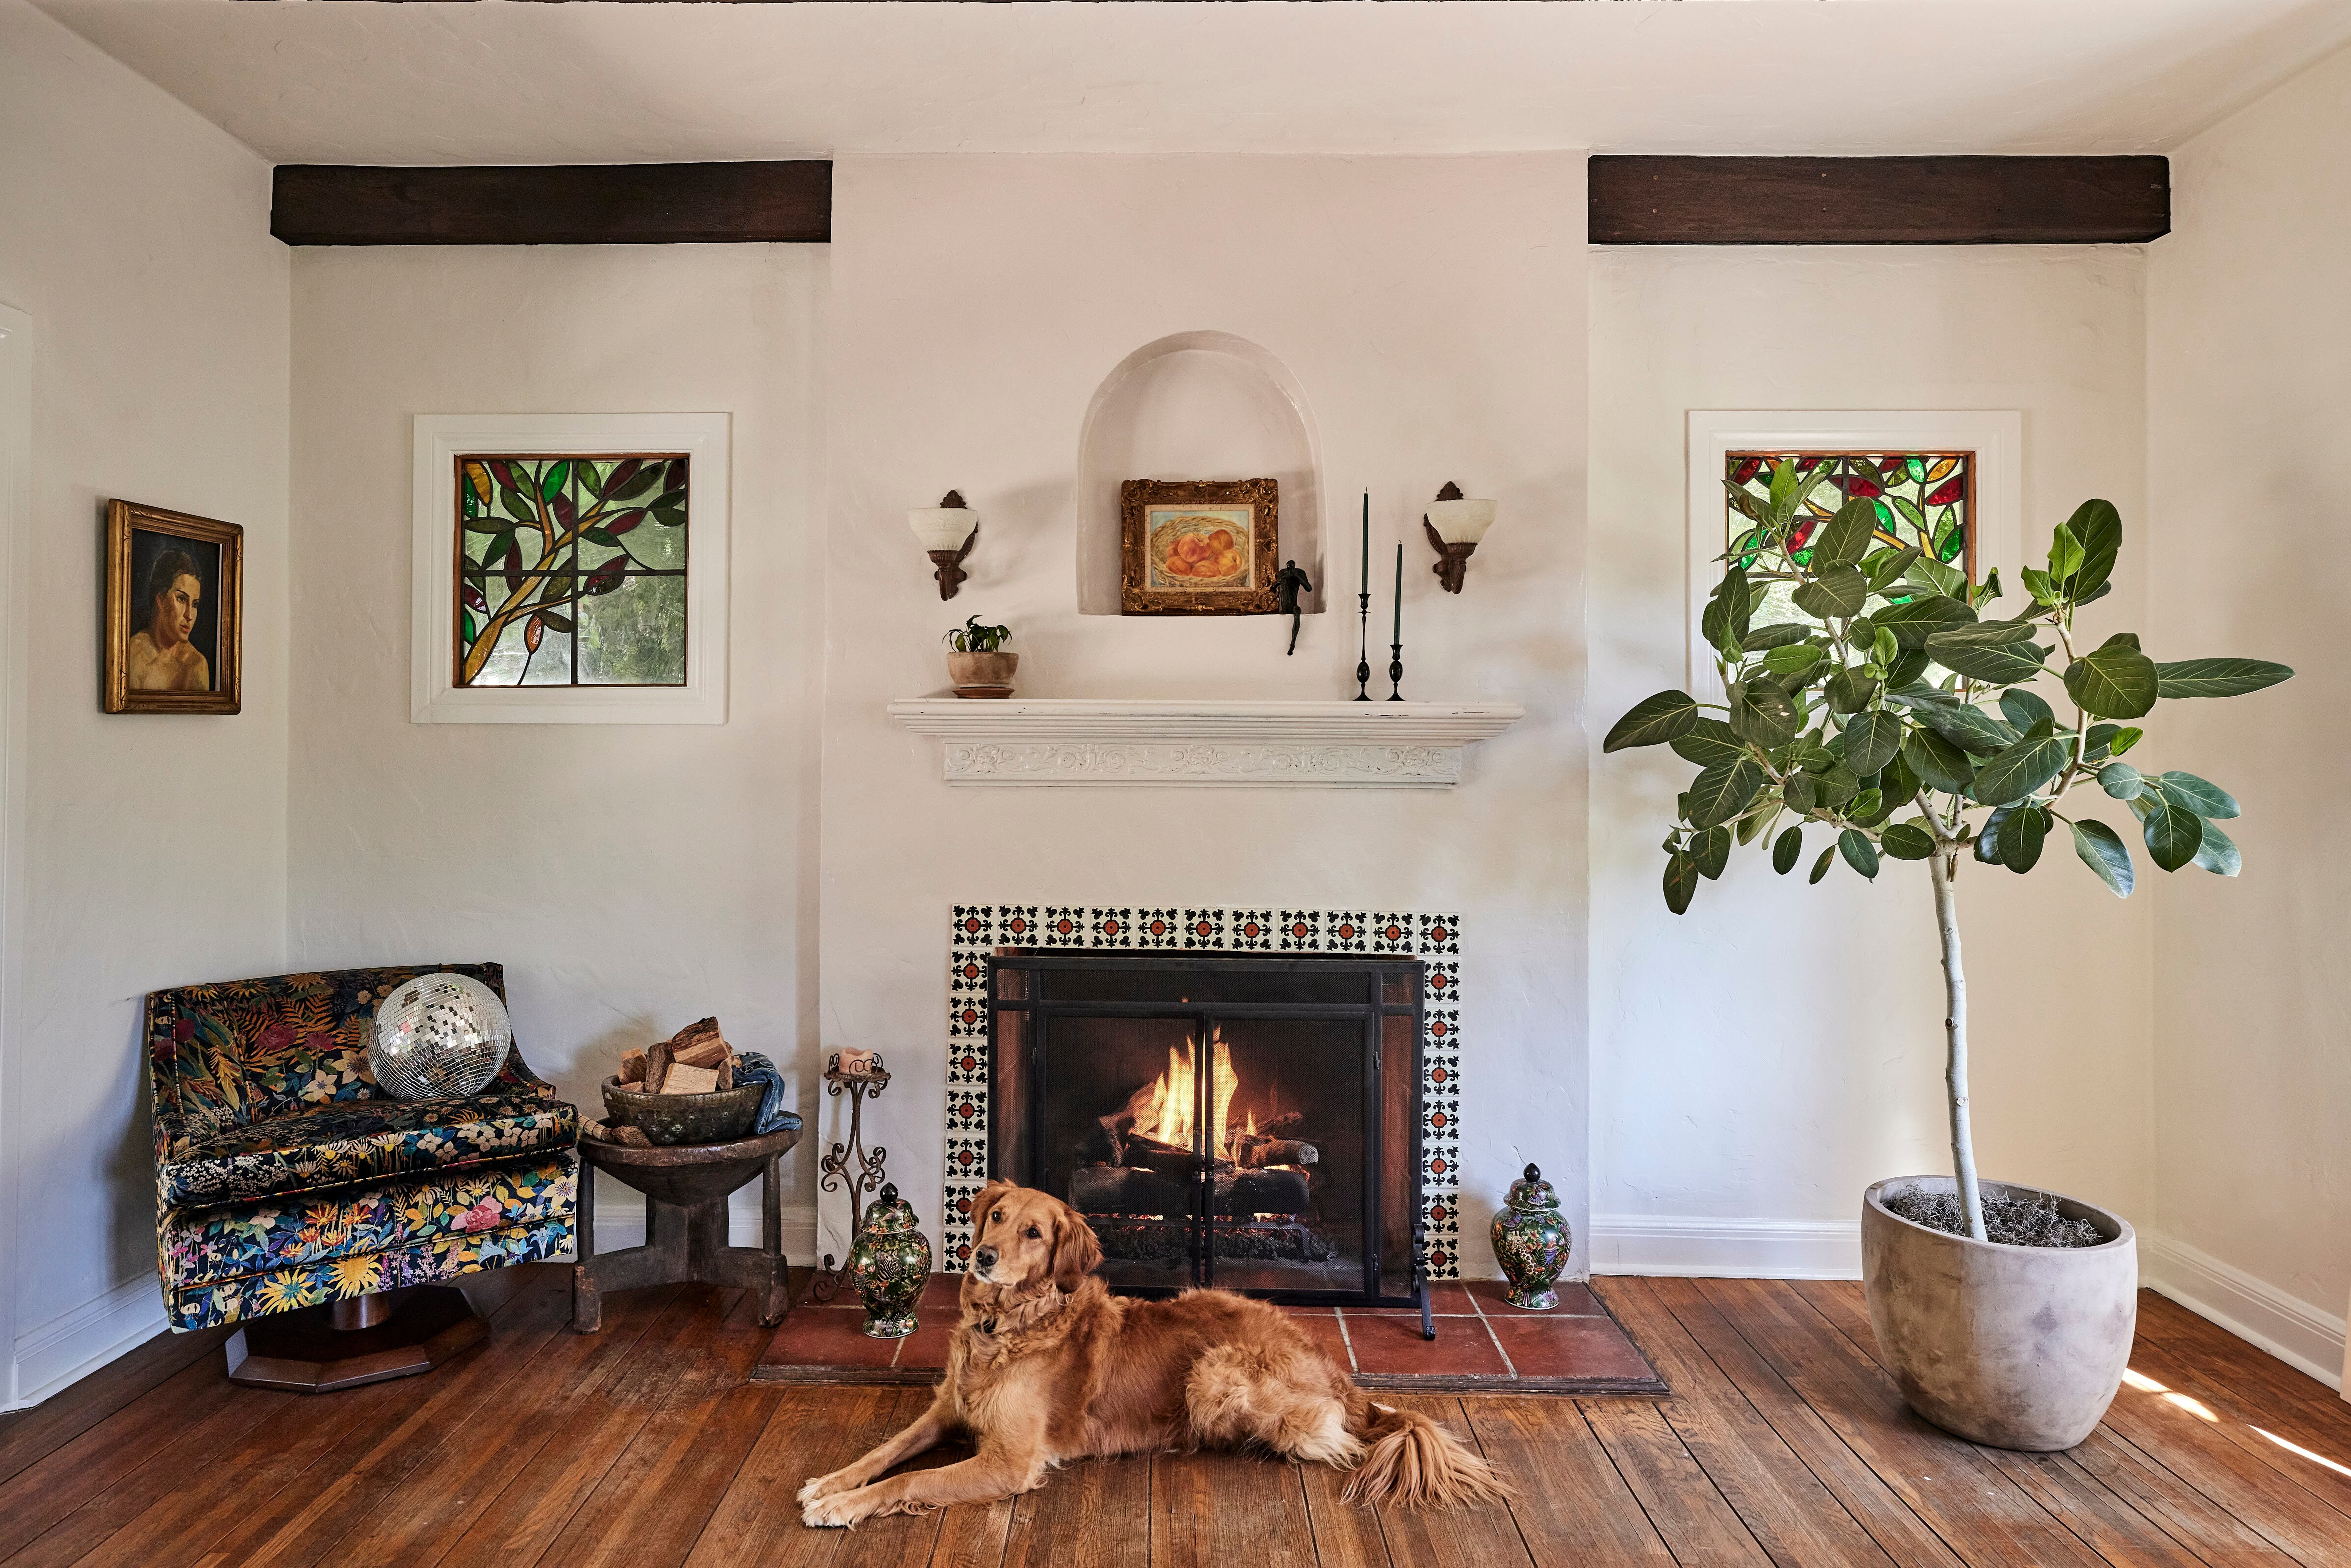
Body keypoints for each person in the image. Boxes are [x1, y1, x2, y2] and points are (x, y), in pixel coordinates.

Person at [126, 548, 210, 692]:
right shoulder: (133, 653)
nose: (189, 615)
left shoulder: (195, 666)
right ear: (161, 599)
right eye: (182, 599)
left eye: (195, 604)